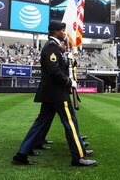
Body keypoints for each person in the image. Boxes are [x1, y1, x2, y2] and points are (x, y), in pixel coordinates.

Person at [12, 21, 97, 167]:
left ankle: (21, 154)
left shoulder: (55, 46)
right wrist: (70, 82)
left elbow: (59, 67)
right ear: (55, 31)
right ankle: (79, 157)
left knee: (40, 124)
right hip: (57, 93)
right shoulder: (51, 46)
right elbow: (54, 71)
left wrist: (69, 59)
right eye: (63, 30)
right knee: (71, 123)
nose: (65, 32)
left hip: (51, 93)